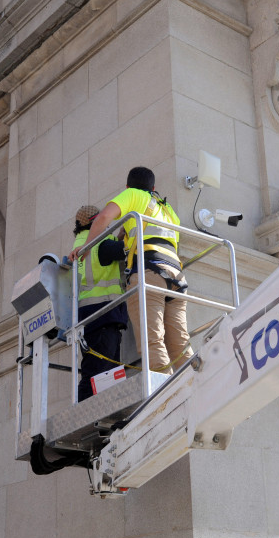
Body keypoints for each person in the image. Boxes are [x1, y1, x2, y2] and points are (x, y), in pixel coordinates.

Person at [70, 167, 192, 374]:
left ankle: (166, 397)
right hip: (177, 277)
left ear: (127, 187)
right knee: (180, 343)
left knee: (152, 340)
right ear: (153, 188)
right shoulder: (168, 210)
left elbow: (103, 218)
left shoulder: (133, 195)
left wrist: (87, 246)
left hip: (149, 273)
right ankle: (192, 382)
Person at [72, 205, 128, 401]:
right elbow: (124, 251)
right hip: (102, 314)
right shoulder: (99, 242)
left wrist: (120, 236)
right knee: (99, 370)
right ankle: (81, 415)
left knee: (101, 369)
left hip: (91, 316)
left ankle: (104, 409)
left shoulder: (81, 243)